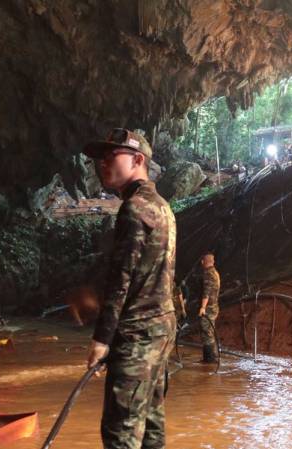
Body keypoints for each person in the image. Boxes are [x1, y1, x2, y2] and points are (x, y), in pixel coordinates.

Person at [84, 128, 177, 449]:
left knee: (120, 434)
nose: (102, 163)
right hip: (161, 332)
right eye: (100, 158)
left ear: (138, 159)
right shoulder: (163, 207)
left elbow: (122, 279)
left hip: (137, 338)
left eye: (111, 156)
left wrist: (102, 339)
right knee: (151, 428)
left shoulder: (134, 208)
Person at [197, 252, 221, 363]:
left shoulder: (208, 274)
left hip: (209, 308)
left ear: (203, 262)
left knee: (207, 332)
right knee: (209, 331)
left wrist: (202, 307)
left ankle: (211, 359)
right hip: (214, 306)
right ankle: (209, 358)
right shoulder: (215, 273)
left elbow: (206, 292)